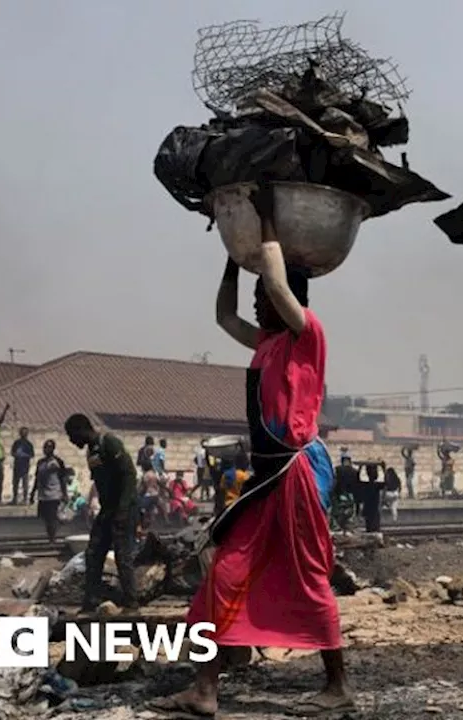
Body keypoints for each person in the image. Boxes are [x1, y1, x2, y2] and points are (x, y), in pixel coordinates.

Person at [147, 234, 351, 718]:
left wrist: (266, 236)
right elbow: (223, 316)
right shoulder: (267, 342)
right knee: (224, 573)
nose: (259, 306)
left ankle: (338, 684)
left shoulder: (309, 335)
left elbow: (281, 288)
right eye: (256, 299)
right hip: (265, 479)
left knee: (309, 577)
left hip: (296, 472)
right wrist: (232, 259)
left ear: (290, 300)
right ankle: (204, 689)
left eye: (265, 298)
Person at [64, 413, 138, 611]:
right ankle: (91, 601)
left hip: (124, 507)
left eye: (72, 436)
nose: (72, 441)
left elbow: (129, 476)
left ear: (81, 430)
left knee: (123, 555)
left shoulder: (109, 443)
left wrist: (123, 509)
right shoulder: (91, 452)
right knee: (93, 553)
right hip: (107, 509)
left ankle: (132, 603)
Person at [31, 440, 68, 543]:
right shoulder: (40, 462)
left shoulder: (58, 462)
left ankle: (52, 539)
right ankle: (52, 533)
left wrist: (64, 494)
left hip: (54, 494)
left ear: (53, 449)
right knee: (45, 517)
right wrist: (32, 492)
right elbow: (37, 478)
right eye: (45, 447)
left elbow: (62, 478)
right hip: (43, 495)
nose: (47, 449)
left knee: (51, 518)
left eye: (49, 447)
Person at [11, 427, 35, 505]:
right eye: (22, 432)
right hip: (17, 465)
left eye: (25, 433)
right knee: (15, 483)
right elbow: (12, 453)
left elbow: (32, 455)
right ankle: (15, 499)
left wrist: (23, 455)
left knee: (25, 484)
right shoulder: (16, 443)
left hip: (25, 467)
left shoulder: (29, 444)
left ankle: (25, 499)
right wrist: (16, 454)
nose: (23, 434)